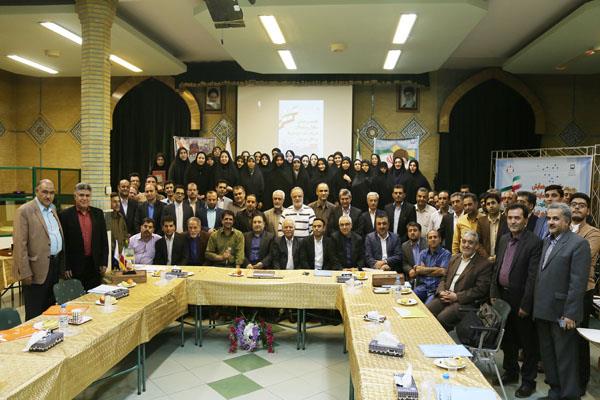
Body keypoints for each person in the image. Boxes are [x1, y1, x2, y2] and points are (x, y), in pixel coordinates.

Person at [533, 203, 590, 400]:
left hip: (562, 312)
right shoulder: (547, 241)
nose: (551, 222)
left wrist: (570, 314)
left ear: (567, 221)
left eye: (555, 218)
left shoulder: (579, 244)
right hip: (543, 309)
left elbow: (578, 283)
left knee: (565, 359)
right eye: (549, 218)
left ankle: (569, 396)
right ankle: (555, 393)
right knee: (548, 357)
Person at [489, 203, 542, 397]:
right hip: (503, 296)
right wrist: (493, 293)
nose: (513, 221)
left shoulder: (534, 242)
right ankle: (511, 372)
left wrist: (526, 305)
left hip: (521, 299)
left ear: (526, 220)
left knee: (528, 344)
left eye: (517, 218)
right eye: (510, 218)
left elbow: (533, 277)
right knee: (507, 339)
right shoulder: (504, 239)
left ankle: (528, 381)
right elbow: (497, 267)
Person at [13, 179, 64, 320]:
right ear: (36, 192)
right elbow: (20, 245)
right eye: (45, 192)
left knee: (50, 311)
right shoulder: (25, 210)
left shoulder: (53, 209)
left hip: (53, 266)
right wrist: (25, 272)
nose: (48, 196)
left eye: (52, 193)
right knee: (35, 314)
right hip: (35, 270)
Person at [427, 230, 492, 331]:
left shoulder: (484, 264)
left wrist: (457, 296)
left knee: (442, 318)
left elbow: (480, 290)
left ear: (476, 246)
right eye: (464, 241)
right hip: (446, 296)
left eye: (470, 242)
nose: (466, 245)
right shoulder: (454, 258)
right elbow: (444, 278)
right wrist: (441, 291)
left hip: (464, 303)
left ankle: (442, 339)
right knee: (427, 310)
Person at [569, 192, 600, 395]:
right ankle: (564, 380)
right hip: (562, 290)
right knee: (564, 338)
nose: (577, 207)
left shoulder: (594, 233)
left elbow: (582, 257)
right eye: (573, 204)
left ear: (587, 210)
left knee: (579, 338)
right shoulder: (562, 228)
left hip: (582, 291)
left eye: (581, 205)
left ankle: (580, 382)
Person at [59, 183, 108, 291]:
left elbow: (104, 240)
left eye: (87, 195)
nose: (84, 198)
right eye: (81, 195)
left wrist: (104, 262)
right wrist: (66, 266)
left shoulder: (98, 214)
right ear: (75, 196)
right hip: (74, 267)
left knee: (94, 296)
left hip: (94, 265)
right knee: (77, 298)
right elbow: (63, 243)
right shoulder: (65, 215)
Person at [411, 230, 451, 304]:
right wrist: (436, 269)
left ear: (440, 239)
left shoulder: (446, 254)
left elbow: (443, 272)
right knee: (409, 299)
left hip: (436, 289)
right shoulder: (423, 253)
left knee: (427, 307)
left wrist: (424, 270)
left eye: (435, 237)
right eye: (430, 237)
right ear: (427, 241)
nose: (433, 239)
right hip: (423, 287)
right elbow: (418, 270)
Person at [477, 192, 508, 262]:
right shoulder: (481, 221)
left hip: (503, 259)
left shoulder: (506, 220)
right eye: (488, 204)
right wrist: (487, 257)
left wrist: (499, 256)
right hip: (485, 260)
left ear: (499, 204)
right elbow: (478, 242)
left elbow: (509, 242)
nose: (491, 206)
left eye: (493, 203)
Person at [105, 192, 128, 257]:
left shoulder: (121, 217)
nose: (117, 204)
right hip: (112, 254)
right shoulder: (106, 218)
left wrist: (127, 254)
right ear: (109, 203)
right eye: (114, 202)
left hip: (122, 253)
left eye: (118, 201)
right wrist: (115, 251)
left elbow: (125, 235)